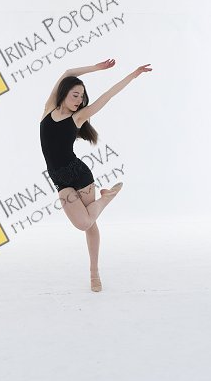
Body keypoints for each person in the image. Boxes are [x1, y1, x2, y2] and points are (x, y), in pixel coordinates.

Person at [39, 58, 152, 292]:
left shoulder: (77, 118)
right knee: (83, 222)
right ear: (63, 93)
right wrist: (96, 68)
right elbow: (68, 71)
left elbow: (108, 96)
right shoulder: (48, 109)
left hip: (80, 176)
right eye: (75, 95)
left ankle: (94, 273)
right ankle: (108, 196)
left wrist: (133, 75)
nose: (79, 100)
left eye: (82, 97)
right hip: (60, 181)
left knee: (89, 224)